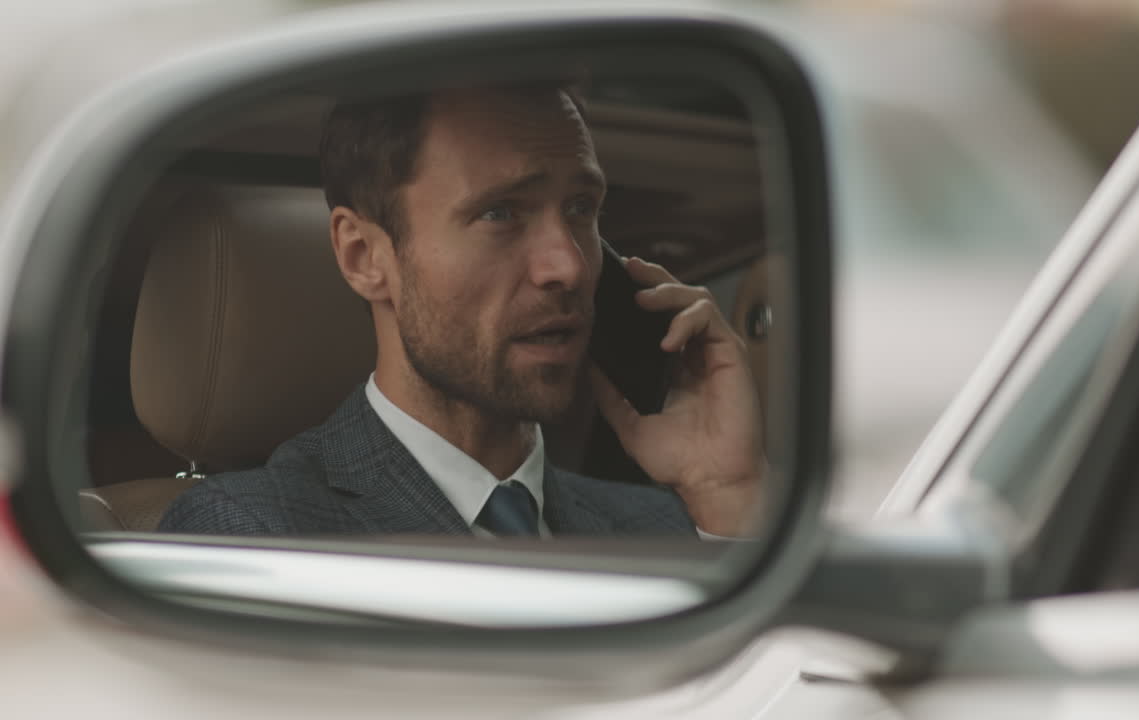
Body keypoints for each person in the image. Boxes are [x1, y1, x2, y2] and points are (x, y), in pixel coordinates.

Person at [157, 84, 765, 538]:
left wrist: (728, 491)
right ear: (365, 257)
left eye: (581, 208)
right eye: (500, 213)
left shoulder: (665, 524)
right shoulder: (254, 533)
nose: (570, 266)